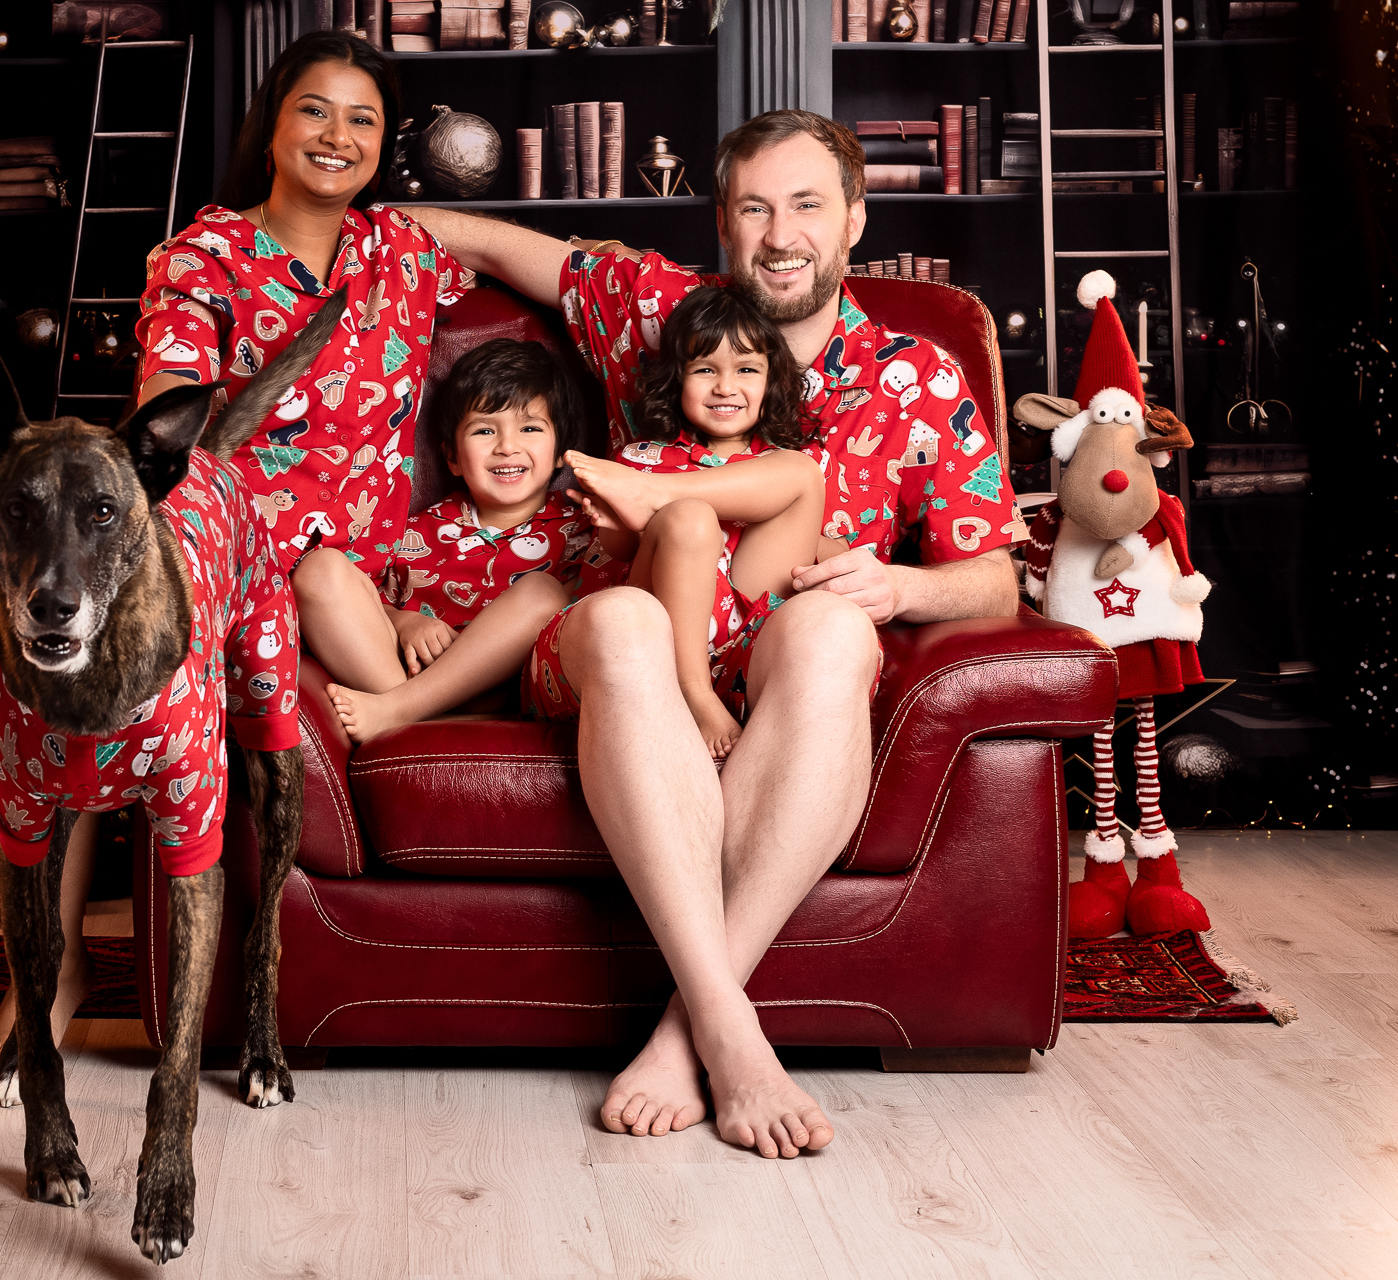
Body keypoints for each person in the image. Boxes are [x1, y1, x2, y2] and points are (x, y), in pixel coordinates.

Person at [0, 29, 470, 1068]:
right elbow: (169, 395)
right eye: (313, 110)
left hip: (340, 576)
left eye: (363, 119)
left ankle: (46, 972)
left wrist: (435, 216)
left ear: (387, 145)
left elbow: (563, 266)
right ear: (270, 128)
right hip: (214, 529)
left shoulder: (404, 254)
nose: (336, 135)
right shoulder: (207, 253)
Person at [402, 108, 1021, 1158]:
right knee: (634, 616)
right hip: (621, 635)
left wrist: (903, 585)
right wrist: (316, 219)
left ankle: (695, 1028)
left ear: (857, 220)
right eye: (755, 208)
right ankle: (735, 1034)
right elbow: (479, 239)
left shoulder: (918, 378)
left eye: (808, 206)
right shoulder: (657, 308)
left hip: (777, 656)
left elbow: (998, 581)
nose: (782, 234)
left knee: (829, 630)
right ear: (725, 226)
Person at [558, 283, 825, 758]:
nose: (725, 387)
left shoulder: (781, 467)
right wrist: (619, 523)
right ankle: (692, 690)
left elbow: (815, 552)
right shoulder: (641, 458)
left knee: (800, 472)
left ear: (771, 380)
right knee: (689, 519)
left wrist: (825, 551)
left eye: (746, 369)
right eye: (705, 370)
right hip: (651, 643)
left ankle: (660, 501)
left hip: (742, 641)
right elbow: (616, 559)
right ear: (676, 379)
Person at [320, 338, 590, 743]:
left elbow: (587, 612)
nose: (507, 446)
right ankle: (416, 715)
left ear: (559, 453)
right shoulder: (414, 530)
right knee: (319, 569)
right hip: (397, 675)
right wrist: (404, 621)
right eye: (484, 430)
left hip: (519, 695)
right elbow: (367, 601)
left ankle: (402, 712)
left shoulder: (581, 528)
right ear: (452, 457)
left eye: (530, 428)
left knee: (543, 594)